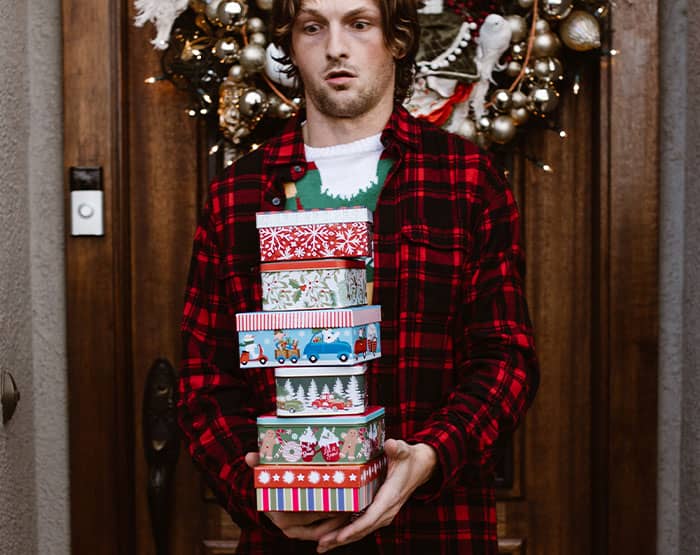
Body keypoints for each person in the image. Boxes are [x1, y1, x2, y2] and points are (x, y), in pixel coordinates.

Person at [177, 0, 539, 553]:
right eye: (312, 27)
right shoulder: (236, 195)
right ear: (290, 43)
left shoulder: (467, 179)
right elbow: (203, 381)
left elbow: (507, 358)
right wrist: (258, 494)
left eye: (359, 23)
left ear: (397, 38)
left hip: (436, 533)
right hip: (288, 540)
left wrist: (432, 454)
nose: (335, 48)